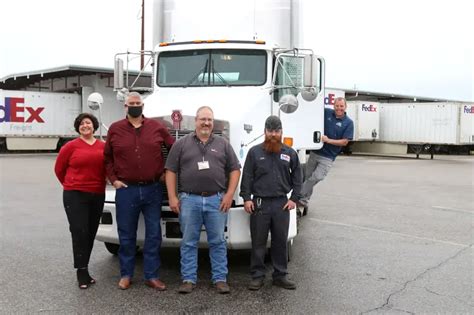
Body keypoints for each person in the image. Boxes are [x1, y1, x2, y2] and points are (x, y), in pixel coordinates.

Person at [165, 106, 241, 294]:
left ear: (213, 123)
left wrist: (230, 194)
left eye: (209, 120)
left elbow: (235, 169)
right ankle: (188, 279)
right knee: (189, 241)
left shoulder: (223, 144)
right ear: (196, 121)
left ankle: (220, 279)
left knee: (217, 241)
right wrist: (173, 197)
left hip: (217, 200)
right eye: (203, 119)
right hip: (189, 200)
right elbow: (170, 171)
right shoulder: (181, 144)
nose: (206, 123)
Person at [104, 91, 175, 290]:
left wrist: (166, 171)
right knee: (126, 234)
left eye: (138, 103)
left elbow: (174, 149)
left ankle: (151, 275)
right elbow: (107, 158)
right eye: (131, 103)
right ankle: (126, 274)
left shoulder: (156, 127)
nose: (135, 105)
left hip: (153, 189)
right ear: (125, 107)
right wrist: (114, 180)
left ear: (143, 106)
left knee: (154, 234)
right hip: (126, 190)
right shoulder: (115, 129)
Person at [240, 115, 303, 291]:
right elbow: (247, 177)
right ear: (265, 132)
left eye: (276, 131)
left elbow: (298, 178)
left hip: (281, 205)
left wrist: (294, 199)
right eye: (270, 131)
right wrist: (246, 198)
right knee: (258, 242)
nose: (273, 134)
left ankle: (280, 275)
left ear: (281, 132)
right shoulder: (254, 152)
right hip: (259, 204)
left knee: (280, 241)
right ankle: (257, 276)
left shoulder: (290, 153)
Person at [54, 113, 106, 289]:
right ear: (78, 127)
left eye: (88, 123)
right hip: (75, 195)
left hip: (97, 194)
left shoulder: (103, 146)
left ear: (94, 126)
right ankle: (81, 271)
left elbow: (107, 168)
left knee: (91, 232)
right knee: (79, 232)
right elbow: (59, 169)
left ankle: (85, 267)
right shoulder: (70, 147)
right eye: (82, 123)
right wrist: (72, 185)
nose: (85, 125)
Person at [298, 97, 354, 214]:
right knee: (308, 177)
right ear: (334, 106)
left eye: (341, 106)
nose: (339, 108)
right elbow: (313, 109)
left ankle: (297, 195)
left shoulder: (348, 123)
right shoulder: (326, 113)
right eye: (337, 106)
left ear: (345, 107)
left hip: (328, 157)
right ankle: (302, 202)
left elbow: (344, 142)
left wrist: (328, 140)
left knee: (316, 177)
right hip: (315, 152)